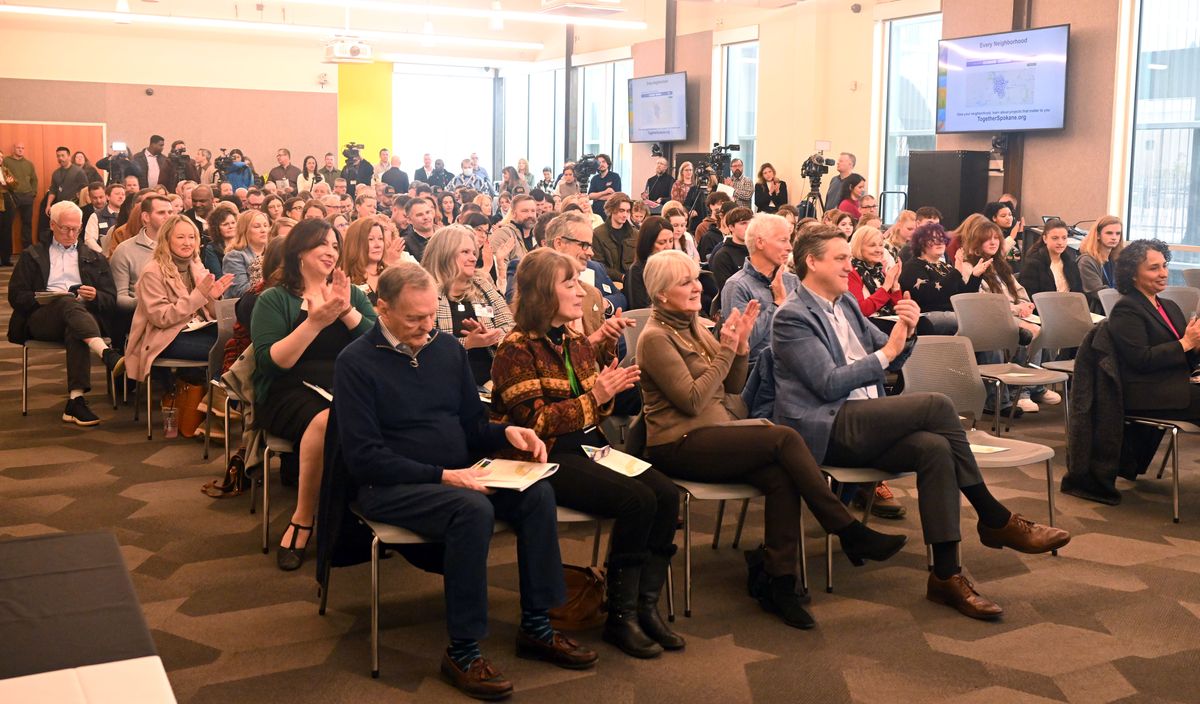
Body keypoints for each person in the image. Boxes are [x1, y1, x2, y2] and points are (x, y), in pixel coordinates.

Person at [771, 225, 1070, 620]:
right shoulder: (791, 316)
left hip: (864, 418)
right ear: (812, 262)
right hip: (826, 427)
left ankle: (946, 576)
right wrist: (888, 351)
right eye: (841, 259)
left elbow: (887, 353)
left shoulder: (843, 304)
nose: (850, 267)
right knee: (937, 405)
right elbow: (827, 385)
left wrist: (905, 332)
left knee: (935, 448)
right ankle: (993, 516)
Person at [333, 263, 594, 699]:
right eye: (414, 319)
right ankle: (464, 649)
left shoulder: (446, 351)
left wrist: (506, 432)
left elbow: (473, 426)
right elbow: (364, 458)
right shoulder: (356, 362)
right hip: (391, 486)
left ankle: (538, 624)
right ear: (382, 308)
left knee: (537, 492)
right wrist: (443, 475)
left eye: (430, 316)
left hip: (457, 476)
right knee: (471, 509)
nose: (424, 328)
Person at [638, 249, 905, 628]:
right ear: (661, 294)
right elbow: (694, 401)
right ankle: (845, 527)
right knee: (782, 438)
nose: (697, 286)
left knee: (781, 477)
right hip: (678, 442)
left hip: (718, 434)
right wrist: (727, 349)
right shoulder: (655, 338)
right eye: (685, 282)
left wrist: (741, 348)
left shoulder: (694, 325)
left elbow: (730, 389)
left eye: (695, 278)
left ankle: (779, 581)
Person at [492, 248, 683, 657]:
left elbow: (598, 406)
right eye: (569, 283)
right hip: (546, 456)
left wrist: (605, 391)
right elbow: (533, 425)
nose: (581, 291)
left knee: (666, 495)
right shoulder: (515, 348)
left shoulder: (574, 339)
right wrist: (596, 395)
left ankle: (644, 607)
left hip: (588, 445)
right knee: (637, 501)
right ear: (544, 293)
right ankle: (621, 617)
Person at [251, 218, 377, 570]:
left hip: (343, 387)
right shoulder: (274, 300)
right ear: (299, 252)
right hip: (288, 392)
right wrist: (316, 321)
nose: (331, 251)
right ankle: (303, 518)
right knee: (326, 421)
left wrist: (346, 311)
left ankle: (360, 516)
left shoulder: (351, 294)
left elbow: (379, 344)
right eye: (322, 244)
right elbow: (272, 363)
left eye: (335, 246)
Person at [7, 200, 124, 425]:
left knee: (75, 323)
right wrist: (41, 298)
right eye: (65, 228)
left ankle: (75, 401)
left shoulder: (94, 257)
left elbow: (110, 299)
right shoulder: (33, 255)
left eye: (76, 229)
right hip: (42, 318)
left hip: (83, 318)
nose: (71, 234)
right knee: (66, 303)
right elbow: (16, 296)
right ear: (52, 225)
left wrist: (96, 296)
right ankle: (105, 353)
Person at [124, 215, 232, 395]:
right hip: (162, 338)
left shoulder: (195, 266)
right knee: (226, 350)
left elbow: (208, 313)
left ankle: (216, 402)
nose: (187, 243)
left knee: (235, 340)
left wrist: (212, 298)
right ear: (166, 240)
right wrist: (199, 296)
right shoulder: (152, 271)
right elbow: (162, 318)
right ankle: (217, 402)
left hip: (193, 329)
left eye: (191, 237)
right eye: (180, 237)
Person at [960, 217, 1057, 414]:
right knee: (1032, 331)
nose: (994, 242)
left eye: (997, 238)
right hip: (990, 317)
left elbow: (1019, 291)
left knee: (1048, 327)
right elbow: (983, 301)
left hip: (1013, 312)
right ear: (977, 243)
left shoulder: (1000, 264)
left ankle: (1033, 388)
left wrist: (1024, 304)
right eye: (988, 239)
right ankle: (1020, 392)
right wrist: (1015, 310)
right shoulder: (969, 266)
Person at [1106, 239, 1200, 421]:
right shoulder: (1126, 309)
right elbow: (1141, 360)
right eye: (1154, 268)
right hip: (1148, 393)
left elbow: (1184, 357)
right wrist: (1186, 342)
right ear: (1133, 274)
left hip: (1174, 384)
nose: (1163, 273)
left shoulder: (1169, 306)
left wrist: (1195, 346)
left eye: (1164, 266)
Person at [424, 225, 514, 387]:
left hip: (492, 381)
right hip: (446, 383)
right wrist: (467, 343)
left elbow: (510, 326)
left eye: (474, 253)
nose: (473, 258)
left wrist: (492, 337)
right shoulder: (426, 292)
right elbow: (424, 344)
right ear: (445, 254)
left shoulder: (482, 286)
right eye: (465, 252)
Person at [721, 214, 800, 363]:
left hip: (796, 364)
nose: (789, 247)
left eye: (789, 240)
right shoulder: (738, 285)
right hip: (759, 372)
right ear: (760, 243)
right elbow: (743, 342)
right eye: (783, 240)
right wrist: (777, 303)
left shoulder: (792, 281)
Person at [899, 222, 988, 334]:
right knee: (970, 321)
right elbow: (929, 294)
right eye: (932, 239)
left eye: (942, 239)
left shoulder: (945, 266)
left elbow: (964, 295)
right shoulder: (913, 266)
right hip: (927, 315)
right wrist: (956, 273)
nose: (939, 242)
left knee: (987, 321)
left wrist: (975, 276)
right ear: (920, 244)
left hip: (952, 313)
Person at [1018, 218, 1083, 301]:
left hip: (1069, 308)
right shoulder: (1033, 264)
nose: (1060, 242)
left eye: (1064, 238)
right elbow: (1030, 297)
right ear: (1045, 239)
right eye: (1055, 238)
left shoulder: (1070, 263)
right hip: (1044, 310)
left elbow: (1079, 294)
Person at [625, 216, 676, 311]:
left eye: (671, 241)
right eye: (662, 243)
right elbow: (640, 311)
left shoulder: (676, 266)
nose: (668, 247)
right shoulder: (636, 271)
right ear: (648, 244)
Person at [1077, 215, 1124, 314]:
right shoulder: (1086, 261)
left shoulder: (1117, 260)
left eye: (1118, 234)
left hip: (1115, 308)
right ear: (1098, 235)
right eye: (1109, 233)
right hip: (1096, 313)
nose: (1114, 237)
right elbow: (1100, 293)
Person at [342, 216, 394, 304]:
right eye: (371, 239)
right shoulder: (345, 280)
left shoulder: (392, 275)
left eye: (380, 239)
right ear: (355, 243)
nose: (378, 245)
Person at [222, 209, 270, 298]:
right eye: (257, 226)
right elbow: (240, 291)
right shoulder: (234, 256)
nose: (263, 230)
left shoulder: (272, 253)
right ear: (244, 230)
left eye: (265, 225)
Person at [592, 193, 637, 284]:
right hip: (607, 281)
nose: (625, 215)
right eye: (621, 210)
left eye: (628, 211)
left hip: (632, 281)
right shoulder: (598, 234)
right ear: (612, 209)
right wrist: (621, 277)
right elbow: (598, 265)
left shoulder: (635, 234)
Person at [709, 206, 754, 291]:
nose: (748, 227)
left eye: (751, 223)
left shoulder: (758, 251)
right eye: (743, 223)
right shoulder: (723, 256)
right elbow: (728, 291)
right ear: (731, 227)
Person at [4, 142, 38, 250]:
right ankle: (6, 253)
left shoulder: (29, 163)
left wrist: (33, 193)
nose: (20, 150)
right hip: (12, 196)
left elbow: (34, 180)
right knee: (7, 223)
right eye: (18, 148)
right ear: (14, 149)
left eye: (22, 148)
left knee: (27, 223)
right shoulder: (6, 161)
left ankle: (27, 250)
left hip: (27, 196)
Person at [83, 183, 125, 253]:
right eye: (117, 194)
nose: (121, 197)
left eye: (123, 194)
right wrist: (103, 253)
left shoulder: (129, 215)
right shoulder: (96, 216)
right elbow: (89, 240)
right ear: (107, 197)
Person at [985, 201, 1025, 273]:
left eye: (1010, 215)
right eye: (1003, 216)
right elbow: (998, 256)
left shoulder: (1007, 232)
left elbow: (1016, 257)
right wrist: (1012, 237)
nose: (1008, 218)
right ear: (994, 218)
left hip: (1014, 275)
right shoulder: (989, 234)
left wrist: (1020, 234)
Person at [46, 147, 88, 216]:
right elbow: (53, 190)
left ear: (69, 157)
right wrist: (48, 205)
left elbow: (85, 190)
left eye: (63, 155)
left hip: (75, 207)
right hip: (60, 207)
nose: (60, 158)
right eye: (58, 156)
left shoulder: (79, 172)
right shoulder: (55, 173)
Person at [200, 202, 238, 276]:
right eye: (225, 224)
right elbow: (218, 276)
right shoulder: (211, 248)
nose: (231, 226)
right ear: (216, 228)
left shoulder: (243, 243)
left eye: (233, 223)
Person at [403, 196, 437, 263]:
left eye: (428, 212)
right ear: (409, 220)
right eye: (419, 215)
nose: (426, 217)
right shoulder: (405, 244)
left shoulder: (445, 236)